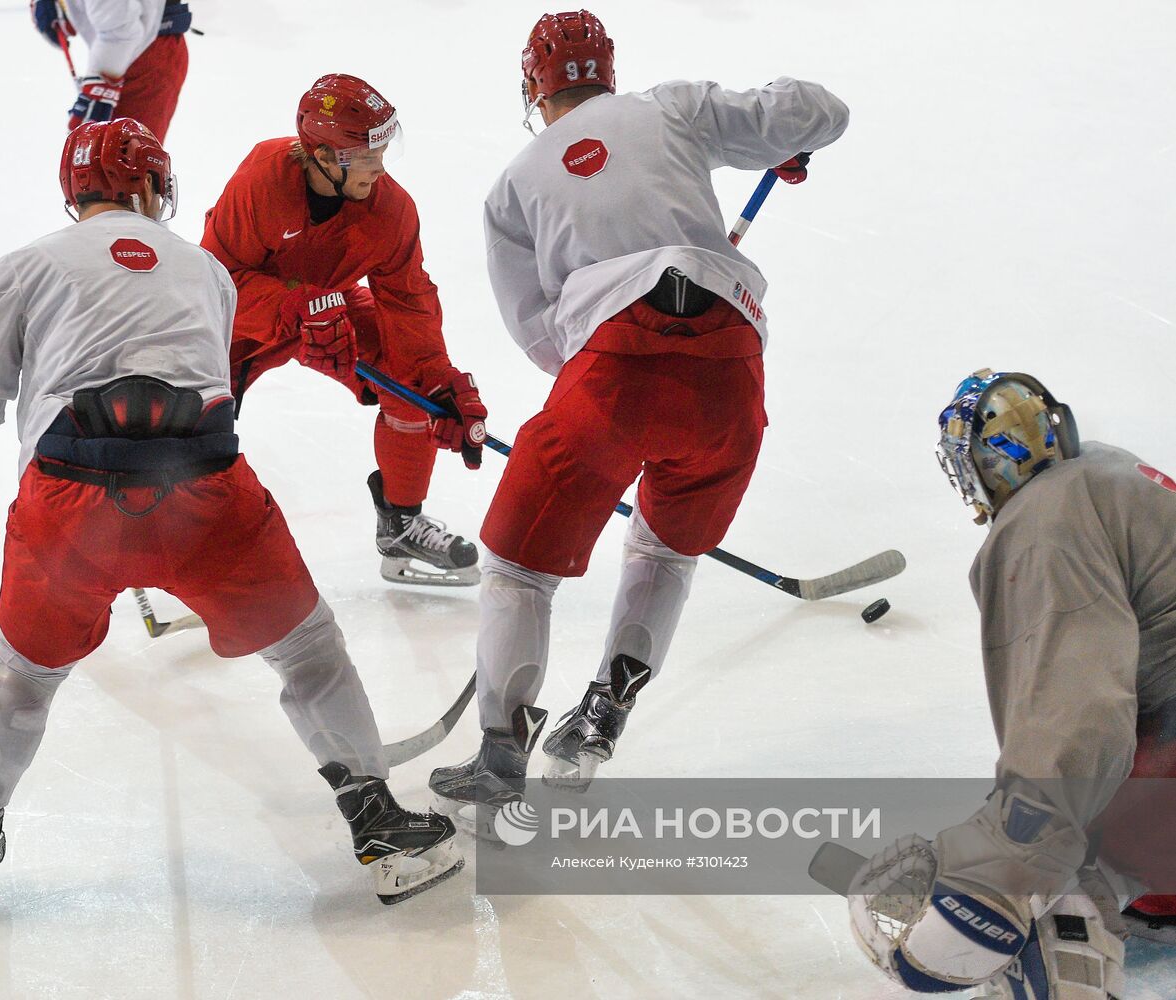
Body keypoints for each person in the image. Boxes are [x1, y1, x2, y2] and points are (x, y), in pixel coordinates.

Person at [0, 119, 460, 920]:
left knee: (22, 674)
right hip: (204, 495)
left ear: (75, 193)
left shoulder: (24, 265)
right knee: (309, 651)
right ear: (150, 186)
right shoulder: (205, 271)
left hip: (69, 501)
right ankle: (375, 822)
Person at [428, 10, 849, 824]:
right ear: (606, 69)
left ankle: (501, 751)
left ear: (532, 87)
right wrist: (780, 141)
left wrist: (613, 382)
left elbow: (539, 332)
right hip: (730, 369)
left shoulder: (513, 184)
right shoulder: (672, 107)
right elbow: (819, 109)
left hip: (609, 379)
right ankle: (601, 716)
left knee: (519, 568)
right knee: (665, 549)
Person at [847, 369, 1176, 997]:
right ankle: (1140, 884)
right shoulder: (1107, 471)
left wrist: (998, 868)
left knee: (1048, 882)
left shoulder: (1042, 519)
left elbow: (1077, 709)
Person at [201, 74, 488, 587]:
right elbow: (214, 284)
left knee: (410, 378)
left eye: (382, 151)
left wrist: (436, 380)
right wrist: (292, 307)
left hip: (329, 308)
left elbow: (410, 306)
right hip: (245, 317)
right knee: (191, 408)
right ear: (322, 155)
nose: (379, 169)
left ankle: (401, 523)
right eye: (364, 155)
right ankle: (171, 530)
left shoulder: (391, 211)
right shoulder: (262, 181)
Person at [30, 0, 194, 142]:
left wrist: (99, 89)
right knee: (109, 167)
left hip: (143, 57)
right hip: (139, 51)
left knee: (116, 168)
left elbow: (121, 31)